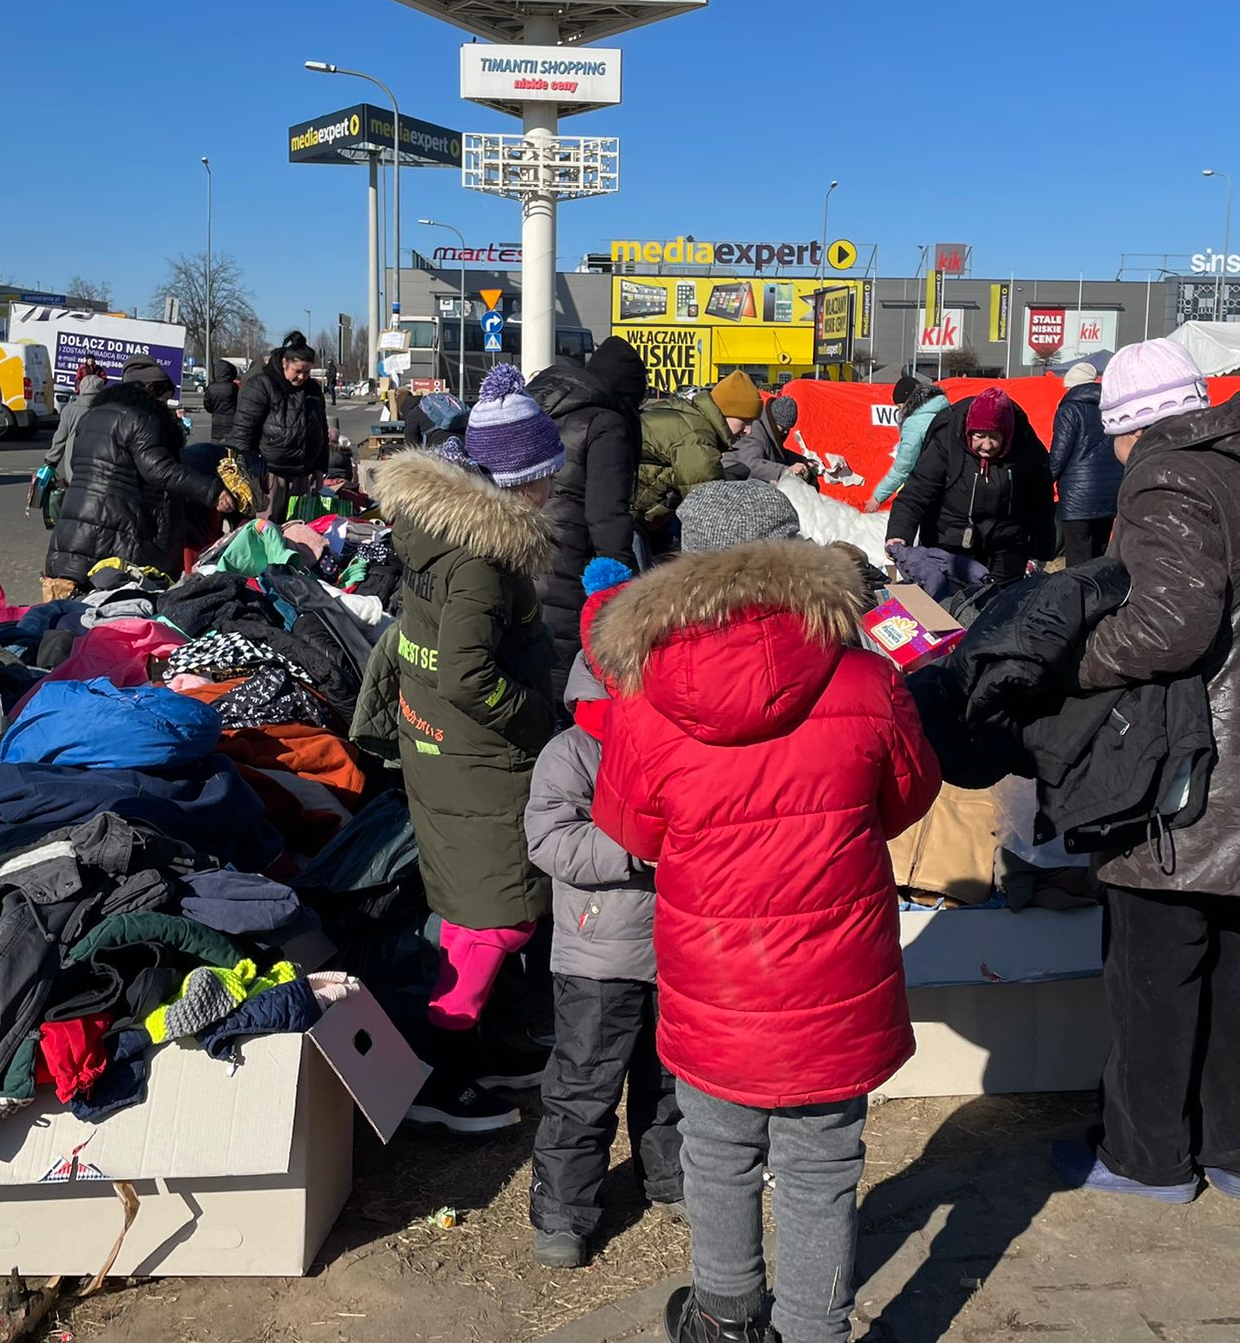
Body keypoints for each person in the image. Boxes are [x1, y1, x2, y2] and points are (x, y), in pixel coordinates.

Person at [588, 477, 940, 1343]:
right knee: (822, 1168)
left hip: (716, 970)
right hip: (835, 969)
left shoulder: (644, 693)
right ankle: (817, 1329)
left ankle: (725, 1314)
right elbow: (910, 795)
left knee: (717, 1152)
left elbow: (630, 827)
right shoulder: (866, 675)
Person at [1052, 337, 1240, 1205]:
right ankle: (1232, 1153)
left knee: (1155, 967)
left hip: (1193, 771)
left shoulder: (1167, 476)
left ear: (1133, 425)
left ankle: (1148, 1159)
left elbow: (1167, 629)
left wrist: (1073, 658)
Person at [367, 364, 565, 1134]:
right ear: (518, 480)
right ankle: (439, 1076)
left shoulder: (443, 533)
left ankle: (483, 1044)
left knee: (469, 902)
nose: (554, 489)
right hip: (482, 757)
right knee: (501, 915)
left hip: (443, 752)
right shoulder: (484, 560)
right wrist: (533, 725)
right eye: (545, 477)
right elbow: (465, 670)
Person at [525, 557, 681, 1270]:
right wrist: (637, 849)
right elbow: (550, 839)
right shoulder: (572, 752)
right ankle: (563, 1211)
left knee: (671, 1077)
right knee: (584, 1085)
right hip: (599, 954)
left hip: (678, 947)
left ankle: (672, 1175)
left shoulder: (683, 742)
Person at [44, 356, 235, 588]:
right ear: (150, 390)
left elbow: (77, 464)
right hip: (115, 534)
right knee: (122, 607)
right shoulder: (141, 419)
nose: (164, 407)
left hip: (74, 531)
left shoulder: (92, 416)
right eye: (163, 400)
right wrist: (213, 491)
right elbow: (160, 470)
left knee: (81, 610)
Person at [528, 335, 645, 698]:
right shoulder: (606, 423)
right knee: (564, 684)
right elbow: (607, 517)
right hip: (569, 559)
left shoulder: (538, 403)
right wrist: (625, 596)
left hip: (518, 548)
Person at [884, 385, 1055, 582]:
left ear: (1007, 435)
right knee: (951, 607)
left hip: (1006, 548)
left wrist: (1041, 550)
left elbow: (1041, 502)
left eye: (995, 437)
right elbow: (916, 492)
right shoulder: (946, 442)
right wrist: (898, 533)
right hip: (950, 544)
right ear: (969, 431)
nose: (987, 445)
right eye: (980, 436)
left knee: (1002, 606)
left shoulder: (1026, 448)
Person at [631, 369, 758, 528]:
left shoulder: (688, 414)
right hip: (629, 516)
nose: (749, 430)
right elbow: (709, 509)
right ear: (725, 411)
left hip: (627, 510)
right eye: (745, 421)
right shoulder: (697, 438)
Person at [228, 331, 328, 522]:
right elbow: (243, 430)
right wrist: (250, 468)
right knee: (265, 526)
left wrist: (319, 468)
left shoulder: (313, 389)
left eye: (307, 372)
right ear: (284, 363)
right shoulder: (261, 386)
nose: (302, 377)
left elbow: (320, 429)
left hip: (301, 473)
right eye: (297, 371)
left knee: (297, 527)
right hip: (269, 474)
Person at [1047, 360, 1123, 565]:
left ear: (1072, 386)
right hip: (1109, 492)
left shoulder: (1070, 409)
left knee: (1078, 556)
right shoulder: (1112, 407)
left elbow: (1059, 453)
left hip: (1077, 496)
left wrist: (1043, 482)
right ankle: (1101, 594)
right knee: (1100, 554)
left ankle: (1080, 596)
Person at [864, 375, 947, 512]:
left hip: (928, 485)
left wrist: (878, 497)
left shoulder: (914, 423)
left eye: (899, 406)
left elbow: (903, 466)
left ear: (907, 402)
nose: (899, 411)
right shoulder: (944, 409)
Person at [722, 393, 812, 484]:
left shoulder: (767, 430)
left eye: (788, 429)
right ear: (773, 421)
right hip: (732, 478)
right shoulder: (755, 432)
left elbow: (779, 453)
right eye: (783, 428)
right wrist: (784, 470)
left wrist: (803, 461)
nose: (785, 432)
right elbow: (752, 464)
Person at [43, 361, 104, 489]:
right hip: (101, 471)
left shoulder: (69, 410)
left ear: (81, 389)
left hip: (74, 471)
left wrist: (50, 462)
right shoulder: (106, 410)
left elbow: (60, 440)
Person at [203, 359, 241, 443]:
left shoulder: (211, 388)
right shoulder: (233, 387)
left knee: (216, 450)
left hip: (216, 423)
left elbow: (207, 406)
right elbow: (239, 404)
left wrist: (215, 410)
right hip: (231, 423)